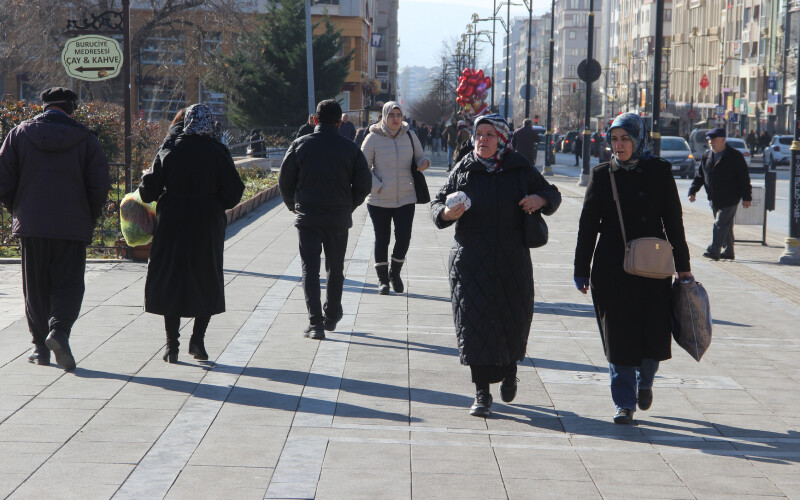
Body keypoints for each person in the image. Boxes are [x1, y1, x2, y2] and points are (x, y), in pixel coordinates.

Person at [430, 113, 561, 417]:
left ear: (502, 138)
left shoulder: (519, 168)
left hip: (511, 261)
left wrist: (539, 200)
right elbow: (437, 203)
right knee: (473, 325)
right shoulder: (465, 168)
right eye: (479, 134)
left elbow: (552, 193)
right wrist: (447, 215)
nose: (482, 140)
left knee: (510, 321)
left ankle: (510, 369)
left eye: (489, 134)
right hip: (470, 261)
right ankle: (481, 394)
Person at [574, 113, 692, 424]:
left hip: (653, 267)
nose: (619, 145)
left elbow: (674, 222)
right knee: (618, 338)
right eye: (614, 139)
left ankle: (646, 380)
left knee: (652, 335)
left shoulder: (660, 172)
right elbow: (587, 227)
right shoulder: (602, 175)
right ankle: (624, 403)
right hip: (611, 269)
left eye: (625, 139)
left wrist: (684, 267)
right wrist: (581, 269)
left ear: (638, 140)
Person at [0, 87, 111, 370]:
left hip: (32, 225)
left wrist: (17, 208)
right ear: (71, 108)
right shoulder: (86, 139)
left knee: (35, 288)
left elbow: (3, 179)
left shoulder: (19, 134)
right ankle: (59, 331)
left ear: (44, 106)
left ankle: (39, 348)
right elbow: (99, 185)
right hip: (72, 226)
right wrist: (91, 215)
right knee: (69, 283)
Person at [139, 104, 245, 363]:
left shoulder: (171, 149)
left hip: (172, 221)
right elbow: (233, 193)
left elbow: (147, 192)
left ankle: (171, 345)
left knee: (171, 276)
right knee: (205, 276)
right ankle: (198, 340)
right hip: (206, 222)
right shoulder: (218, 152)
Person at [279, 99, 372, 339]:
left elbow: (285, 180)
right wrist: (348, 205)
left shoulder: (300, 144)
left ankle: (315, 322)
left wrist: (293, 205)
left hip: (308, 216)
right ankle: (331, 315)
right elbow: (364, 184)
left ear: (316, 120)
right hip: (338, 218)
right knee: (336, 267)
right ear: (340, 121)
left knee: (310, 268)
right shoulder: (350, 148)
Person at [361, 101, 430, 295]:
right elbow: (362, 167)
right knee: (382, 239)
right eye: (392, 115)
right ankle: (383, 280)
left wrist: (424, 162)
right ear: (384, 117)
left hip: (406, 197)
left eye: (399, 115)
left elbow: (420, 156)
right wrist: (378, 186)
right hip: (379, 199)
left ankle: (395, 273)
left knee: (404, 238)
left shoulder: (409, 134)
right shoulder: (373, 138)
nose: (396, 119)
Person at [688, 127, 753, 261]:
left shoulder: (734, 156)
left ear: (723, 140)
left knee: (720, 224)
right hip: (714, 197)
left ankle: (713, 250)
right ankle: (729, 251)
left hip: (731, 198)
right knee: (726, 226)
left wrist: (747, 197)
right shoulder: (706, 155)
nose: (711, 142)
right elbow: (700, 176)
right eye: (709, 140)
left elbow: (744, 178)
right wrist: (692, 191)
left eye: (714, 140)